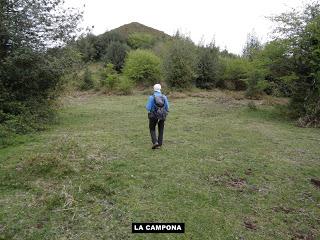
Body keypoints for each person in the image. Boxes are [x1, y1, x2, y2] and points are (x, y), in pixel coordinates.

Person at [146, 84, 170, 149]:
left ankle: (155, 142)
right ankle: (160, 143)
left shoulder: (151, 97)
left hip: (153, 115)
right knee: (161, 129)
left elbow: (148, 108)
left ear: (154, 89)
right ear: (160, 89)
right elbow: (167, 107)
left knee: (152, 128)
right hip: (162, 115)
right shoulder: (164, 97)